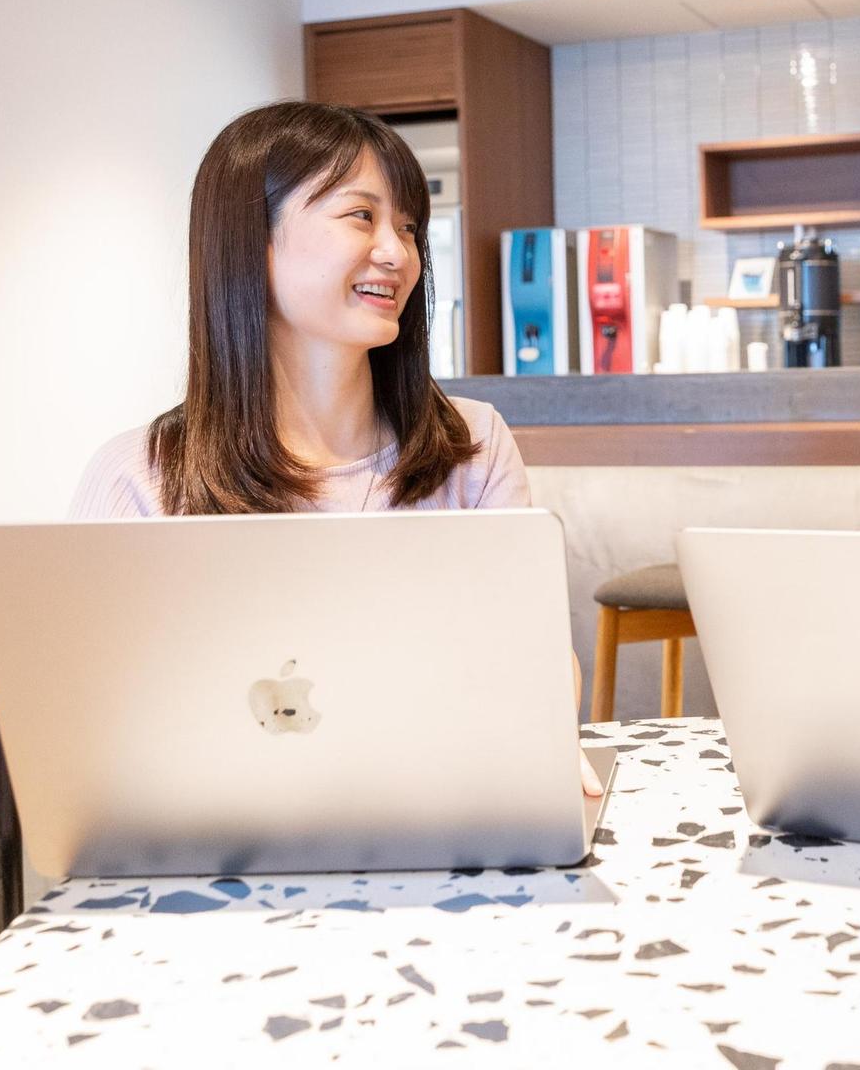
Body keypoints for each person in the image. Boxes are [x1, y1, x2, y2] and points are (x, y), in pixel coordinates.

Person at [71, 100, 600, 795]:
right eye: (361, 216)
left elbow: (535, 652)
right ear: (252, 242)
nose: (398, 253)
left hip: (443, 807)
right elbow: (93, 725)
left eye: (407, 227)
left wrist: (544, 736)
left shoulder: (471, 445)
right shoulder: (141, 476)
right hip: (219, 825)